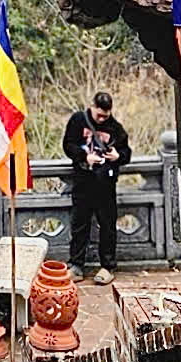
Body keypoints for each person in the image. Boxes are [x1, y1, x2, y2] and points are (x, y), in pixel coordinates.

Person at [62, 90, 125, 282]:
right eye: (99, 115)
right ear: (93, 107)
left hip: (105, 184)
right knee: (79, 224)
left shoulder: (115, 127)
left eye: (105, 116)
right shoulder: (78, 120)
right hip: (83, 180)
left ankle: (107, 266)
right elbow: (68, 145)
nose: (101, 119)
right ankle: (76, 265)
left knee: (107, 225)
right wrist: (84, 157)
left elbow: (126, 151)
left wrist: (118, 156)